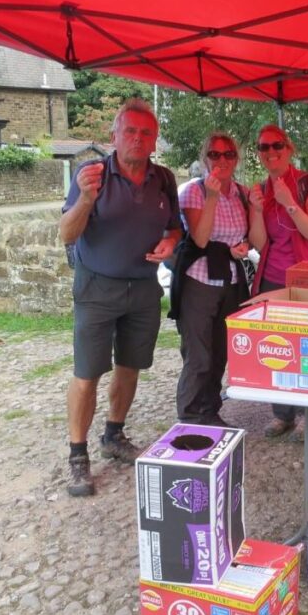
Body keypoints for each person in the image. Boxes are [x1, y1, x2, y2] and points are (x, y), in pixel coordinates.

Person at [59, 98, 181, 497]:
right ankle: (78, 456)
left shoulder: (163, 179)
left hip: (144, 287)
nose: (138, 139)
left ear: (155, 140)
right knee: (87, 373)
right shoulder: (91, 174)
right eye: (130, 131)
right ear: (114, 136)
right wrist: (87, 198)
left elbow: (173, 228)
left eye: (146, 132)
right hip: (97, 287)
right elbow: (67, 233)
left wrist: (169, 245)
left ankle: (113, 435)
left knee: (130, 367)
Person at [248, 124, 308, 437]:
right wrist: (256, 210)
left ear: (290, 149)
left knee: (307, 349)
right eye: (264, 147)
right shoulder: (261, 188)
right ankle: (282, 413)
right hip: (273, 279)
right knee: (276, 348)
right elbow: (259, 242)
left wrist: (288, 202)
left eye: (277, 146)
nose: (271, 152)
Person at [173, 132, 251, 427]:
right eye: (214, 154)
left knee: (221, 351)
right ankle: (190, 417)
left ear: (236, 158)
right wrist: (212, 196)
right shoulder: (193, 192)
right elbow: (202, 239)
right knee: (198, 354)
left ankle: (210, 410)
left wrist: (241, 248)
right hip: (200, 280)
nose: (221, 160)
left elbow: (245, 238)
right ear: (204, 158)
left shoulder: (242, 193)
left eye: (228, 154)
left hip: (230, 278)